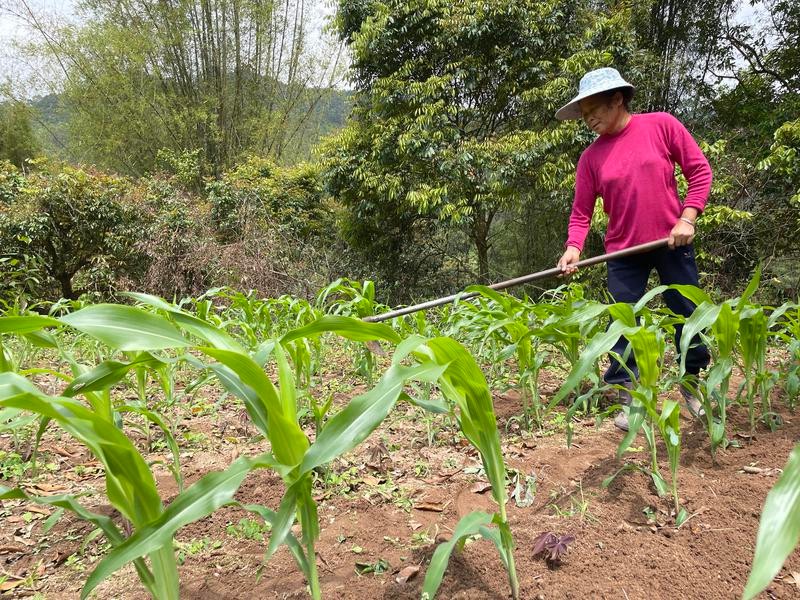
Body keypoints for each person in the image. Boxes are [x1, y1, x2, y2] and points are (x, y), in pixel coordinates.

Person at [554, 67, 711, 431]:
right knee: (622, 324)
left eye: (595, 109)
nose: (589, 119)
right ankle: (630, 398)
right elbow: (581, 211)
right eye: (584, 114)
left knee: (689, 315)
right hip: (622, 252)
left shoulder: (661, 125)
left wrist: (687, 218)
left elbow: (699, 171)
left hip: (672, 242)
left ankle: (692, 384)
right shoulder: (590, 158)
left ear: (618, 99)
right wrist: (573, 247)